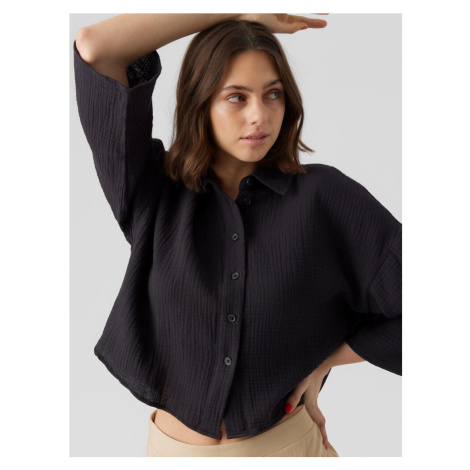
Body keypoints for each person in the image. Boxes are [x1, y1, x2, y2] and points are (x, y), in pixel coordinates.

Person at [73, 13, 401, 457]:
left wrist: (329, 358)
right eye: (236, 97)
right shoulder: (153, 190)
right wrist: (233, 11)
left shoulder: (325, 197)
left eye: (273, 94)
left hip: (287, 449)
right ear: (200, 101)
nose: (259, 115)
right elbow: (96, 46)